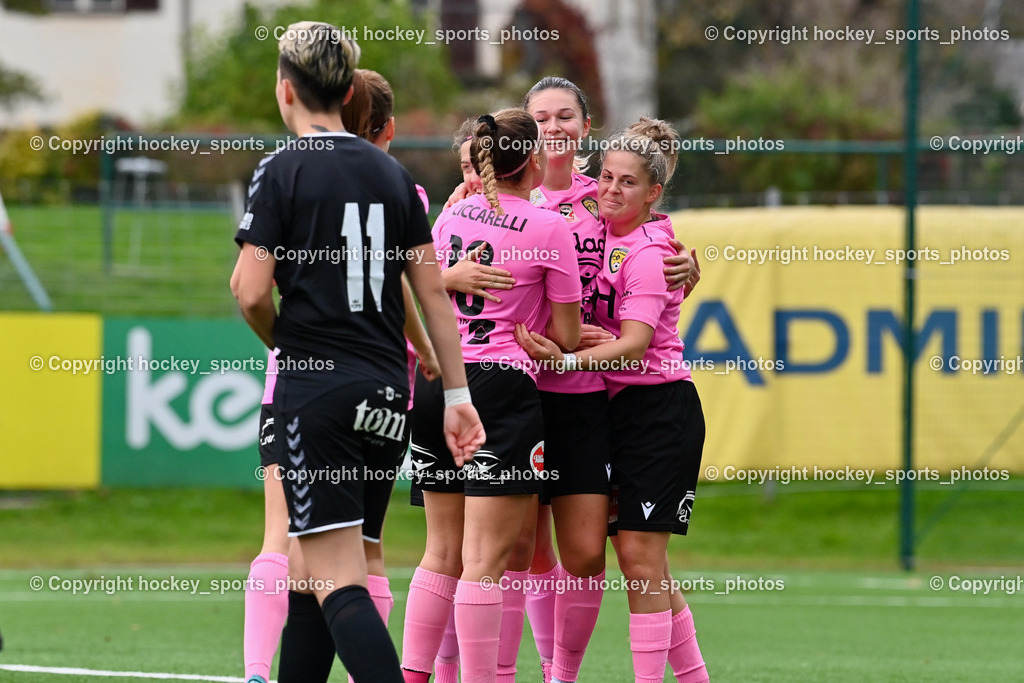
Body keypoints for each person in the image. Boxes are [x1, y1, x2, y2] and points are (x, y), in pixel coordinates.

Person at [232, 22, 484, 683]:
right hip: (387, 395)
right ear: (348, 94)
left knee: (334, 574)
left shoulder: (280, 169)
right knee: (317, 570)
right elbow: (432, 298)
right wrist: (456, 397)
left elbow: (250, 291)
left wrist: (289, 346)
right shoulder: (395, 177)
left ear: (285, 90)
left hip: (320, 393)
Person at [515, 117, 709, 683]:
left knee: (640, 563)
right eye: (605, 178)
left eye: (627, 183)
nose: (610, 190)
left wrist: (568, 358)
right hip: (617, 411)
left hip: (658, 411)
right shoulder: (595, 227)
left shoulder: (651, 252)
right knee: (645, 565)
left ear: (653, 193)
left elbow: (636, 344)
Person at [401, 108, 582, 683]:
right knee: (484, 563)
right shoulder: (550, 226)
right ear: (534, 161)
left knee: (440, 553)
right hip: (499, 388)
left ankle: (411, 676)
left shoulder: (449, 217)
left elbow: (422, 288)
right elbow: (568, 336)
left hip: (437, 382)